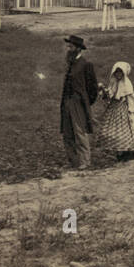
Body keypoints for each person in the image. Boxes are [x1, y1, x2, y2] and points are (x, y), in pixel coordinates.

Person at [60, 34, 98, 170]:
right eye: (68, 46)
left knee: (80, 133)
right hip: (67, 103)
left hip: (78, 103)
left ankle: (85, 161)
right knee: (67, 133)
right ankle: (73, 162)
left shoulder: (86, 65)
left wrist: (85, 102)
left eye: (70, 47)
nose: (68, 49)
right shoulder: (70, 64)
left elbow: (93, 88)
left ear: (77, 49)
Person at [98, 61, 134, 160]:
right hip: (114, 109)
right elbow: (110, 94)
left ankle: (128, 151)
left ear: (124, 73)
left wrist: (130, 109)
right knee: (114, 130)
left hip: (123, 110)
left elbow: (132, 98)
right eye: (116, 72)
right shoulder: (113, 82)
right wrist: (103, 92)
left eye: (120, 72)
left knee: (126, 130)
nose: (118, 74)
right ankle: (119, 152)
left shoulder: (127, 84)